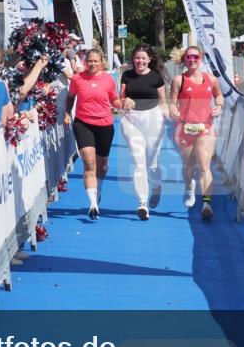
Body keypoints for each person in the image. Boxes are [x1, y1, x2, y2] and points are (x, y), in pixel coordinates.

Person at [64, 47, 121, 220]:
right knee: (89, 162)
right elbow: (71, 97)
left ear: (102, 62)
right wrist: (67, 113)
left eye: (95, 61)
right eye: (89, 61)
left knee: (102, 165)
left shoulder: (109, 79)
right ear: (85, 62)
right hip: (83, 123)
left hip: (104, 124)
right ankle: (93, 205)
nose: (92, 64)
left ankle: (99, 188)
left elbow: (114, 99)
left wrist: (123, 104)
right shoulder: (77, 78)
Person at [169, 45, 224, 222]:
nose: (192, 60)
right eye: (189, 57)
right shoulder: (179, 80)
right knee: (189, 166)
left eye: (195, 57)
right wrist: (173, 111)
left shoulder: (211, 79)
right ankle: (189, 186)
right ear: (184, 60)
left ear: (200, 59)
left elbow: (219, 96)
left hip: (205, 128)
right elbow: (172, 103)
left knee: (204, 166)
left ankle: (206, 204)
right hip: (185, 128)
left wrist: (219, 107)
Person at [120, 45, 168, 220]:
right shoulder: (127, 75)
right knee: (138, 160)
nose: (140, 61)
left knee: (152, 163)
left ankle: (156, 187)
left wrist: (170, 116)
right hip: (131, 120)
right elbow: (121, 99)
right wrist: (126, 100)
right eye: (137, 58)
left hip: (153, 118)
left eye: (143, 58)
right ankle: (142, 202)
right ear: (133, 59)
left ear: (149, 60)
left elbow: (163, 102)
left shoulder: (156, 77)